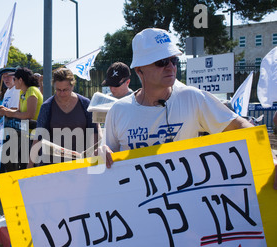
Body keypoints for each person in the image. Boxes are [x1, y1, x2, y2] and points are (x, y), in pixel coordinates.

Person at [103, 28, 277, 191]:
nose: (170, 66)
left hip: (186, 206)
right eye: (161, 61)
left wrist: (272, 160)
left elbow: (240, 126)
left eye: (174, 60)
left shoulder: (193, 98)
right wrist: (101, 154)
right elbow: (107, 157)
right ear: (139, 70)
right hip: (137, 206)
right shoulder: (118, 110)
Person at [28, 67, 99, 167]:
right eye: (58, 90)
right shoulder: (47, 107)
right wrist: (29, 166)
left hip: (79, 164)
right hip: (52, 165)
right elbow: (39, 137)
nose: (62, 94)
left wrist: (93, 157)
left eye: (65, 90)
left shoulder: (85, 104)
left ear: (72, 86)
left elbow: (94, 132)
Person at [0, 67, 43, 172]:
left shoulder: (31, 91)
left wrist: (8, 112)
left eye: (15, 79)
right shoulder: (23, 92)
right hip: (25, 133)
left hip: (34, 134)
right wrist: (5, 110)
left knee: (8, 154)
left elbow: (29, 114)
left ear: (20, 80)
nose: (14, 82)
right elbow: (18, 111)